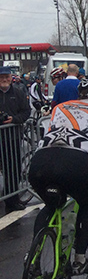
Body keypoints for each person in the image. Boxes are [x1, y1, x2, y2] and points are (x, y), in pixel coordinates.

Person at [27, 76, 88, 272]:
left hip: (40, 161)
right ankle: (80, 260)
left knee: (50, 205)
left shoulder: (60, 108)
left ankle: (32, 256)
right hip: (77, 163)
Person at [1, 65, 31, 213]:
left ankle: (12, 200)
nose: (5, 80)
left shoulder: (18, 93)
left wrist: (14, 119)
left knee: (13, 170)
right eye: (2, 78)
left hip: (12, 138)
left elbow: (26, 112)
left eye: (7, 77)